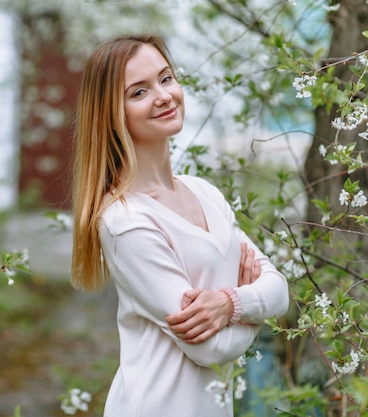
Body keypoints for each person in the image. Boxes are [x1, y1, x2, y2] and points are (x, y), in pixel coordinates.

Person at [70, 34, 289, 417]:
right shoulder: (126, 222)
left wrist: (230, 304)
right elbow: (210, 349)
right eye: (138, 92)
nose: (164, 96)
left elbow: (280, 289)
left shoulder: (204, 192)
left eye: (166, 78)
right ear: (110, 113)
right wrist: (254, 308)